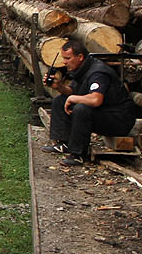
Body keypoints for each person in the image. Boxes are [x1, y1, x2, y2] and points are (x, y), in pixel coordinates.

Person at [41, 37, 135, 166]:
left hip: (119, 119)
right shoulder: (83, 68)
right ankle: (63, 143)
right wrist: (59, 87)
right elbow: (72, 91)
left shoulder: (98, 72)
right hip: (104, 112)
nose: (64, 62)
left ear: (80, 57)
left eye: (68, 59)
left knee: (82, 109)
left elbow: (96, 100)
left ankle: (78, 154)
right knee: (59, 100)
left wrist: (73, 98)